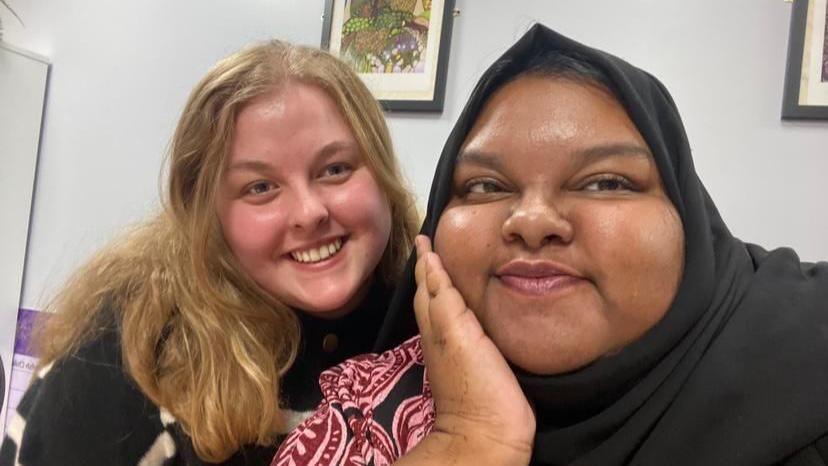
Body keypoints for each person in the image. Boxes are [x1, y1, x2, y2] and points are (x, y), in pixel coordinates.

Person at [272, 24, 828, 466]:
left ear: (688, 216)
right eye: (485, 186)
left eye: (607, 182)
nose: (532, 221)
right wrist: (469, 441)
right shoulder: (361, 415)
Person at [0, 40, 419, 466]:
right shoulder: (121, 359)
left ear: (384, 175)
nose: (310, 213)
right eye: (260, 187)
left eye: (336, 169)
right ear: (207, 214)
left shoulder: (437, 325)